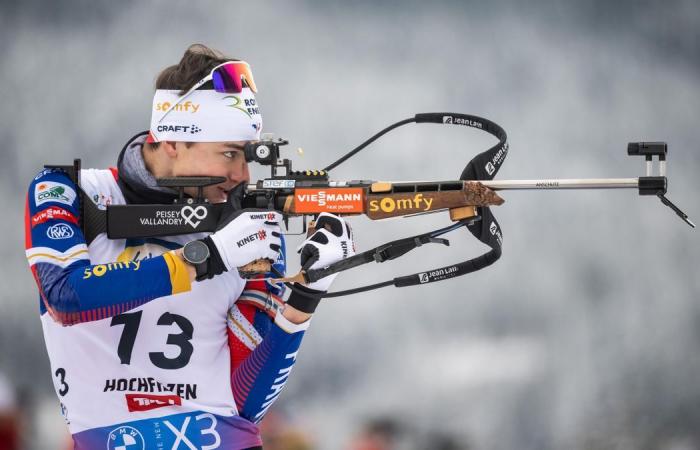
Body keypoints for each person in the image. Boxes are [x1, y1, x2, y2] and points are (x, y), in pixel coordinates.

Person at [24, 44, 355, 450]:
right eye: (229, 154)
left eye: (248, 157)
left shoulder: (248, 226)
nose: (241, 175)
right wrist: (205, 258)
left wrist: (306, 296)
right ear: (171, 141)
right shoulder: (71, 191)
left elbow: (244, 401)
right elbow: (67, 297)